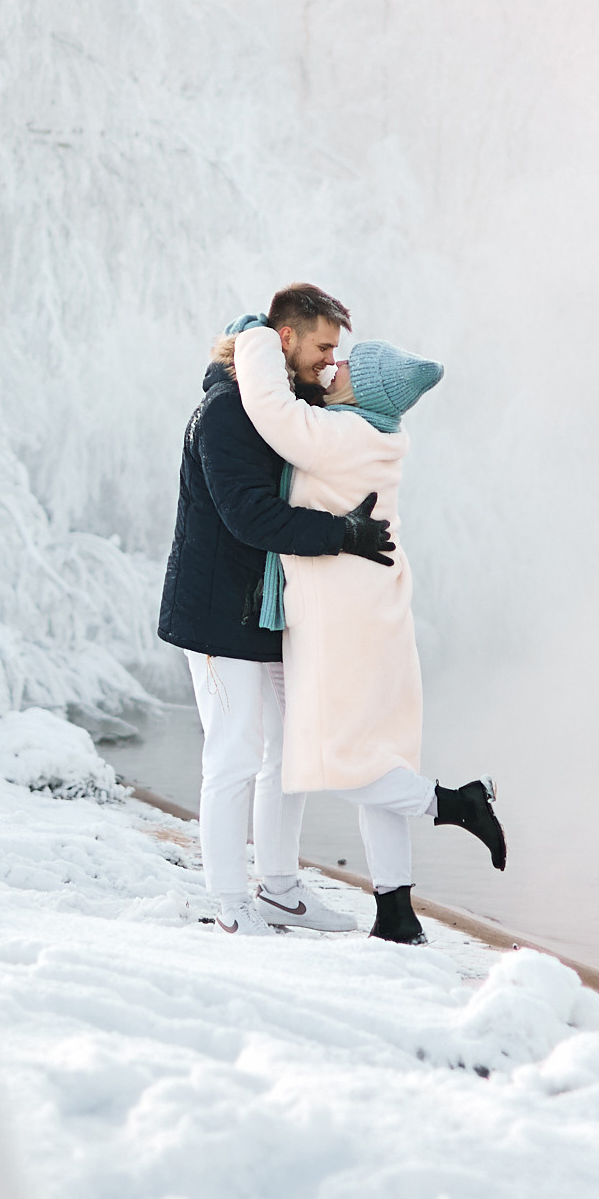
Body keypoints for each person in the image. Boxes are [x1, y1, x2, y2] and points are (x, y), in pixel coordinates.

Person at [230, 321, 506, 944]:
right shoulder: (377, 436)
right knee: (379, 755)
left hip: (340, 613)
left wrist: (252, 337)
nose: (333, 371)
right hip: (373, 605)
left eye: (347, 369)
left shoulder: (342, 436)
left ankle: (456, 803)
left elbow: (271, 409)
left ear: (367, 394)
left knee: (337, 761)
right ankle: (396, 910)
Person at [156, 281, 396, 934]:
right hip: (214, 614)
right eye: (320, 346)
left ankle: (280, 890)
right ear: (283, 339)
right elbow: (249, 516)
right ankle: (229, 905)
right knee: (232, 755)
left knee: (290, 752)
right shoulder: (228, 413)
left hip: (266, 610)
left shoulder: (281, 407)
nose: (327, 359)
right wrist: (341, 534)